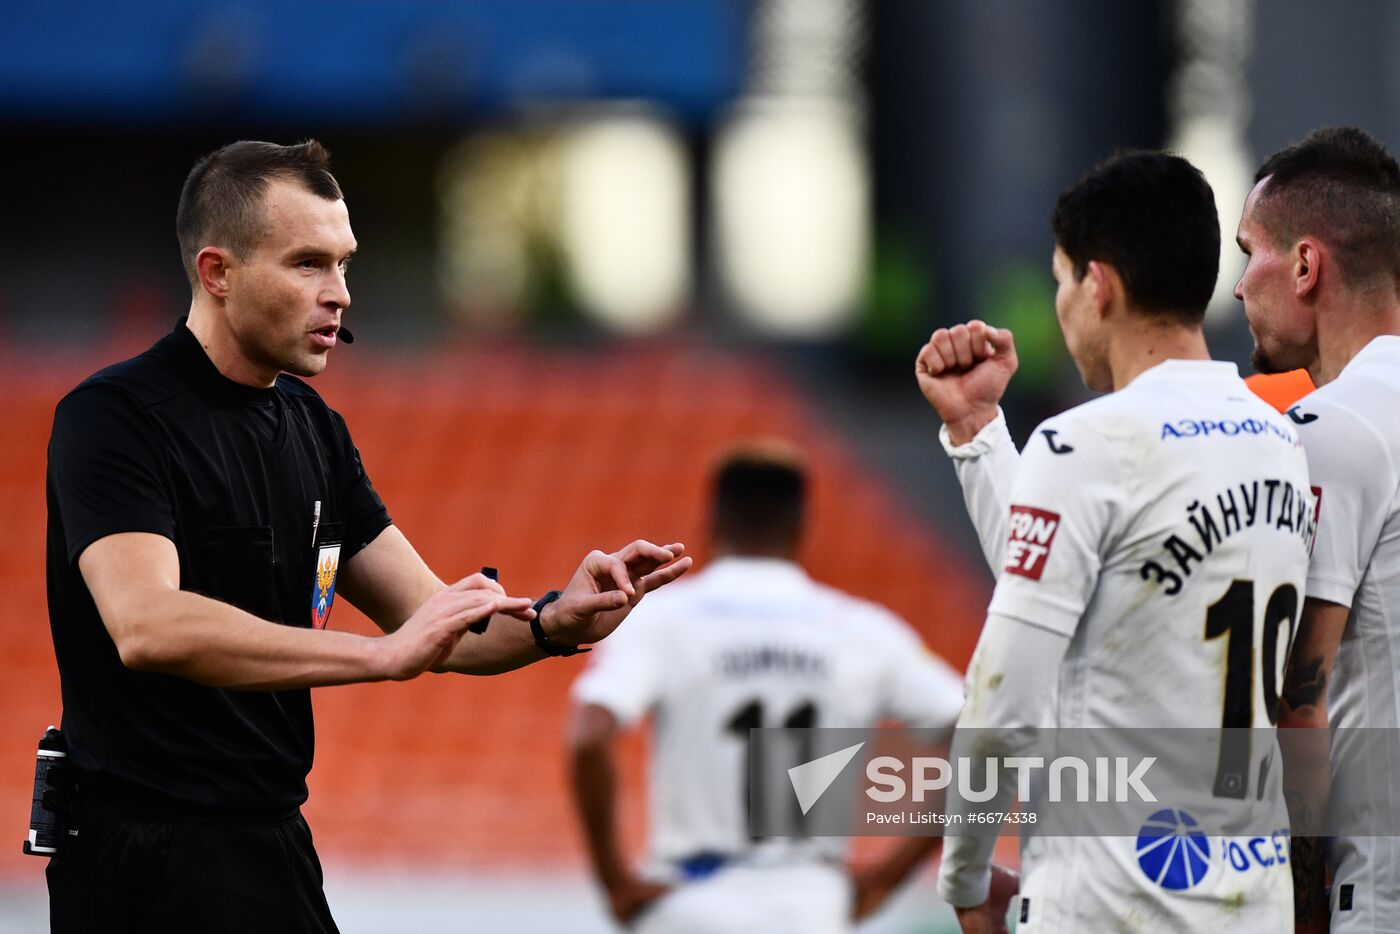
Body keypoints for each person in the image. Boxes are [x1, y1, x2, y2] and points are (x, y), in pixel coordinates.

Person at [42, 139, 692, 933]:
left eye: (344, 264)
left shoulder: (315, 429)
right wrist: (380, 657)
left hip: (274, 842)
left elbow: (440, 625)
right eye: (309, 264)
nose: (340, 294)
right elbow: (148, 625)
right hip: (141, 858)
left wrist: (556, 622)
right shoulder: (115, 418)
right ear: (218, 273)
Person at [915, 152, 1314, 931]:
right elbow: (1081, 594)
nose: (1062, 305)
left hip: (1113, 903)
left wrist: (963, 881)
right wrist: (978, 433)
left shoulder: (1088, 441)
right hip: (1251, 900)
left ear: (1100, 286)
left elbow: (1002, 698)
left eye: (1061, 280)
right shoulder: (1281, 443)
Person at [566, 443, 1004, 933]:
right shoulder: (861, 629)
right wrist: (887, 877)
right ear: (800, 527)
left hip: (689, 901)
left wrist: (616, 883)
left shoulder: (665, 619)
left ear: (712, 523)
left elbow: (589, 736)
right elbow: (986, 741)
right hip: (811, 905)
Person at [1235, 125, 1400, 933]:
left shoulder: (1330, 428)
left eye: (1247, 253)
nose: (1237, 288)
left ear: (1305, 265)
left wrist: (1299, 918)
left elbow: (1297, 702)